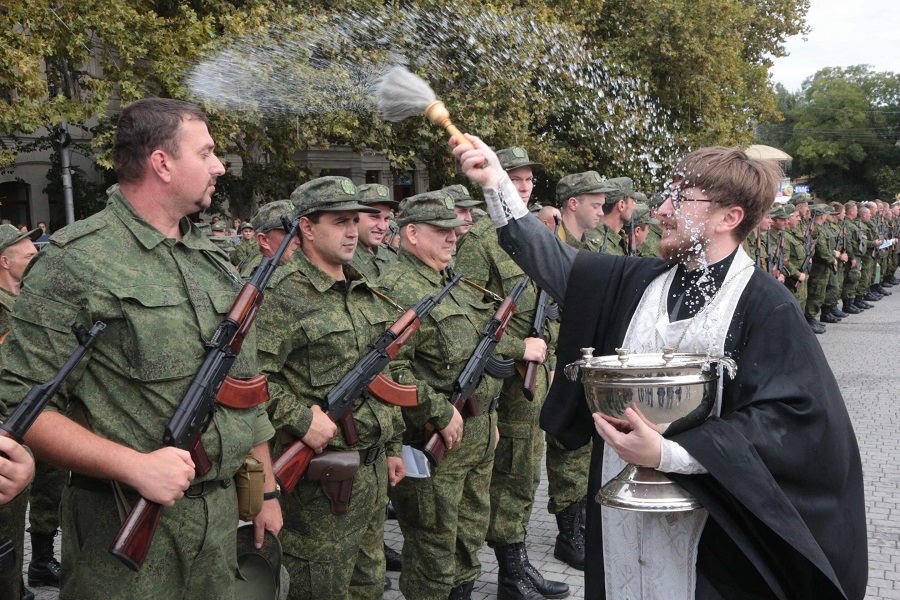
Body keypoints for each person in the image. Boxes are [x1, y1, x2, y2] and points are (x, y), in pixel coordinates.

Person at [454, 138, 867, 600]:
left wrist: (670, 456)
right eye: (668, 194)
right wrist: (495, 184)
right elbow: (554, 262)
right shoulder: (639, 281)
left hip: (710, 521)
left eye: (680, 199)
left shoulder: (766, 306)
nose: (663, 210)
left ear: (729, 217)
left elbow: (792, 421)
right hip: (619, 504)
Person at [0, 98, 282, 600]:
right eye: (208, 152)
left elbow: (245, 386)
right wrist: (133, 465)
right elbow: (21, 406)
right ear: (162, 162)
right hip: (121, 529)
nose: (219, 166)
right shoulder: (76, 262)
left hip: (218, 528)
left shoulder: (213, 262)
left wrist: (264, 489)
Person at [256, 176, 405, 599]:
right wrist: (300, 419)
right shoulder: (281, 296)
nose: (353, 231)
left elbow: (383, 379)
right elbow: (250, 382)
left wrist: (392, 446)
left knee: (368, 585)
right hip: (320, 484)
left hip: (371, 474)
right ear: (306, 227)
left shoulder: (361, 288)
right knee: (319, 588)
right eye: (340, 221)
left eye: (354, 221)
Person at [376, 190, 509, 599]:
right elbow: (388, 369)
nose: (453, 238)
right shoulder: (395, 287)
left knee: (467, 544)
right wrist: (438, 410)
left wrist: (490, 419)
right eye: (441, 230)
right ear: (412, 233)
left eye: (455, 230)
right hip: (434, 445)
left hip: (476, 436)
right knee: (433, 556)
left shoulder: (452, 282)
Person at [455, 146, 568, 600]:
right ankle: (497, 567)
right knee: (493, 477)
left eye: (526, 181)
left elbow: (556, 305)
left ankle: (513, 566)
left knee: (524, 473)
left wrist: (550, 355)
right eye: (514, 179)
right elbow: (465, 317)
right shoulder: (480, 242)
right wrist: (518, 349)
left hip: (533, 378)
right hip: (495, 379)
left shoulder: (540, 237)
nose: (522, 187)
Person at [349, 183, 399, 281]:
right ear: (354, 216)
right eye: (374, 217)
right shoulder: (343, 258)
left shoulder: (389, 254)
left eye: (386, 219)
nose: (383, 227)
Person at [240, 200, 301, 278]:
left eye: (300, 233)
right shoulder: (257, 278)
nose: (298, 240)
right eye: (290, 234)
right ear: (264, 240)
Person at [556, 172, 613, 251]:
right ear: (573, 204)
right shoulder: (551, 245)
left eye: (601, 206)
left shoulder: (591, 247)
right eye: (595, 206)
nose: (601, 213)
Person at [592, 177, 635, 256]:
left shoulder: (619, 240)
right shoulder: (596, 244)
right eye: (632, 203)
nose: (634, 208)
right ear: (621, 205)